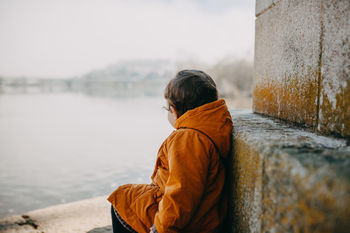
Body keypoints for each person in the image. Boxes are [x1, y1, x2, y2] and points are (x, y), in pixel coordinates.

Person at [108, 70, 233, 233]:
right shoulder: (211, 127)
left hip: (193, 223)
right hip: (204, 214)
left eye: (167, 108)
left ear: (174, 111)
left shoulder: (189, 138)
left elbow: (181, 196)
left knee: (121, 202)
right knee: (127, 195)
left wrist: (160, 229)